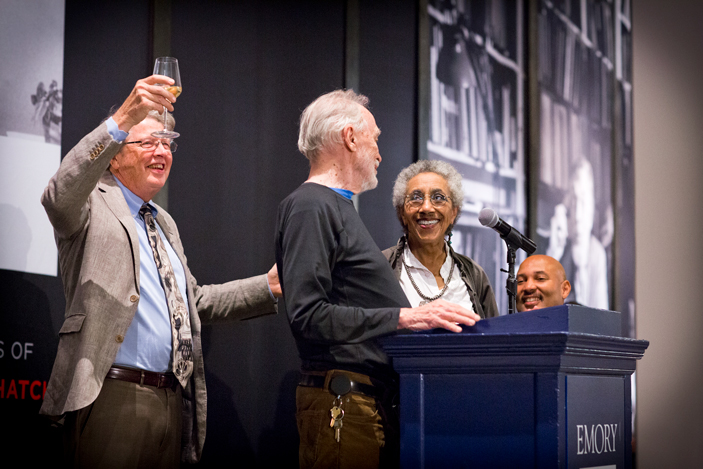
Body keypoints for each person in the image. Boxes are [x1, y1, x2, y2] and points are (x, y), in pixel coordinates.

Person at [40, 75, 281, 468]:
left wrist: (267, 286)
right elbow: (57, 194)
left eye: (167, 143)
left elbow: (192, 303)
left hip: (172, 403)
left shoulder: (163, 223)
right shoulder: (90, 203)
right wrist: (123, 117)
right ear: (114, 155)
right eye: (148, 142)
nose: (161, 152)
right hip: (110, 394)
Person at [275, 89, 481, 469]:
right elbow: (308, 316)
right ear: (350, 138)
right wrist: (406, 317)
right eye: (375, 138)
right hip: (343, 406)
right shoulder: (311, 205)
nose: (379, 153)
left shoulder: (333, 206)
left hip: (364, 404)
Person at [383, 160, 499, 319]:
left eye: (438, 198)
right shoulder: (382, 267)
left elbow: (491, 339)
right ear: (402, 212)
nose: (426, 208)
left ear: (453, 212)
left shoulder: (475, 275)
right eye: (416, 198)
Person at [561, 158, 609, 309]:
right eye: (574, 201)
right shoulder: (558, 251)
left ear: (592, 204)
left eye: (584, 201)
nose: (579, 215)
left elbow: (601, 320)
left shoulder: (597, 254)